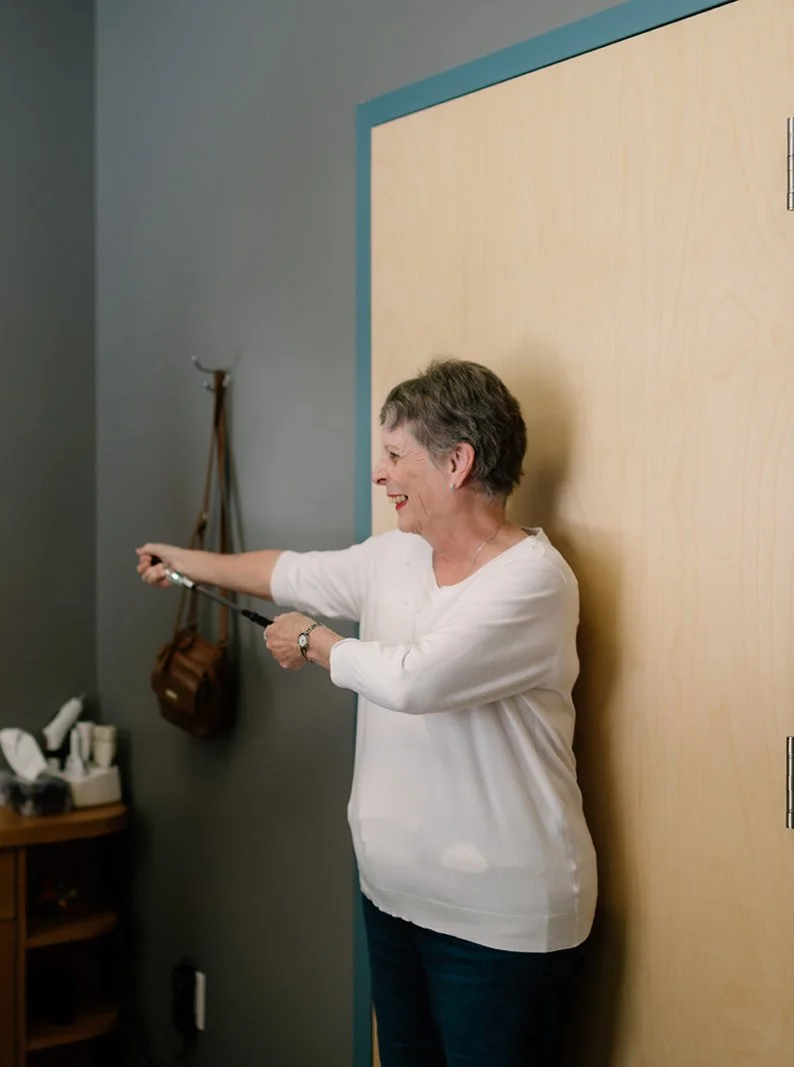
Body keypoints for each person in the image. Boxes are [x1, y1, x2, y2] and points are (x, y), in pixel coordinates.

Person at [137, 358, 596, 1066]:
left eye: (394, 455)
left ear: (457, 463)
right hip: (393, 898)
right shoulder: (396, 557)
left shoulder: (532, 580)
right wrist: (184, 561)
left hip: (499, 927)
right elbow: (289, 572)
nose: (380, 475)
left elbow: (417, 679)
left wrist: (314, 642)